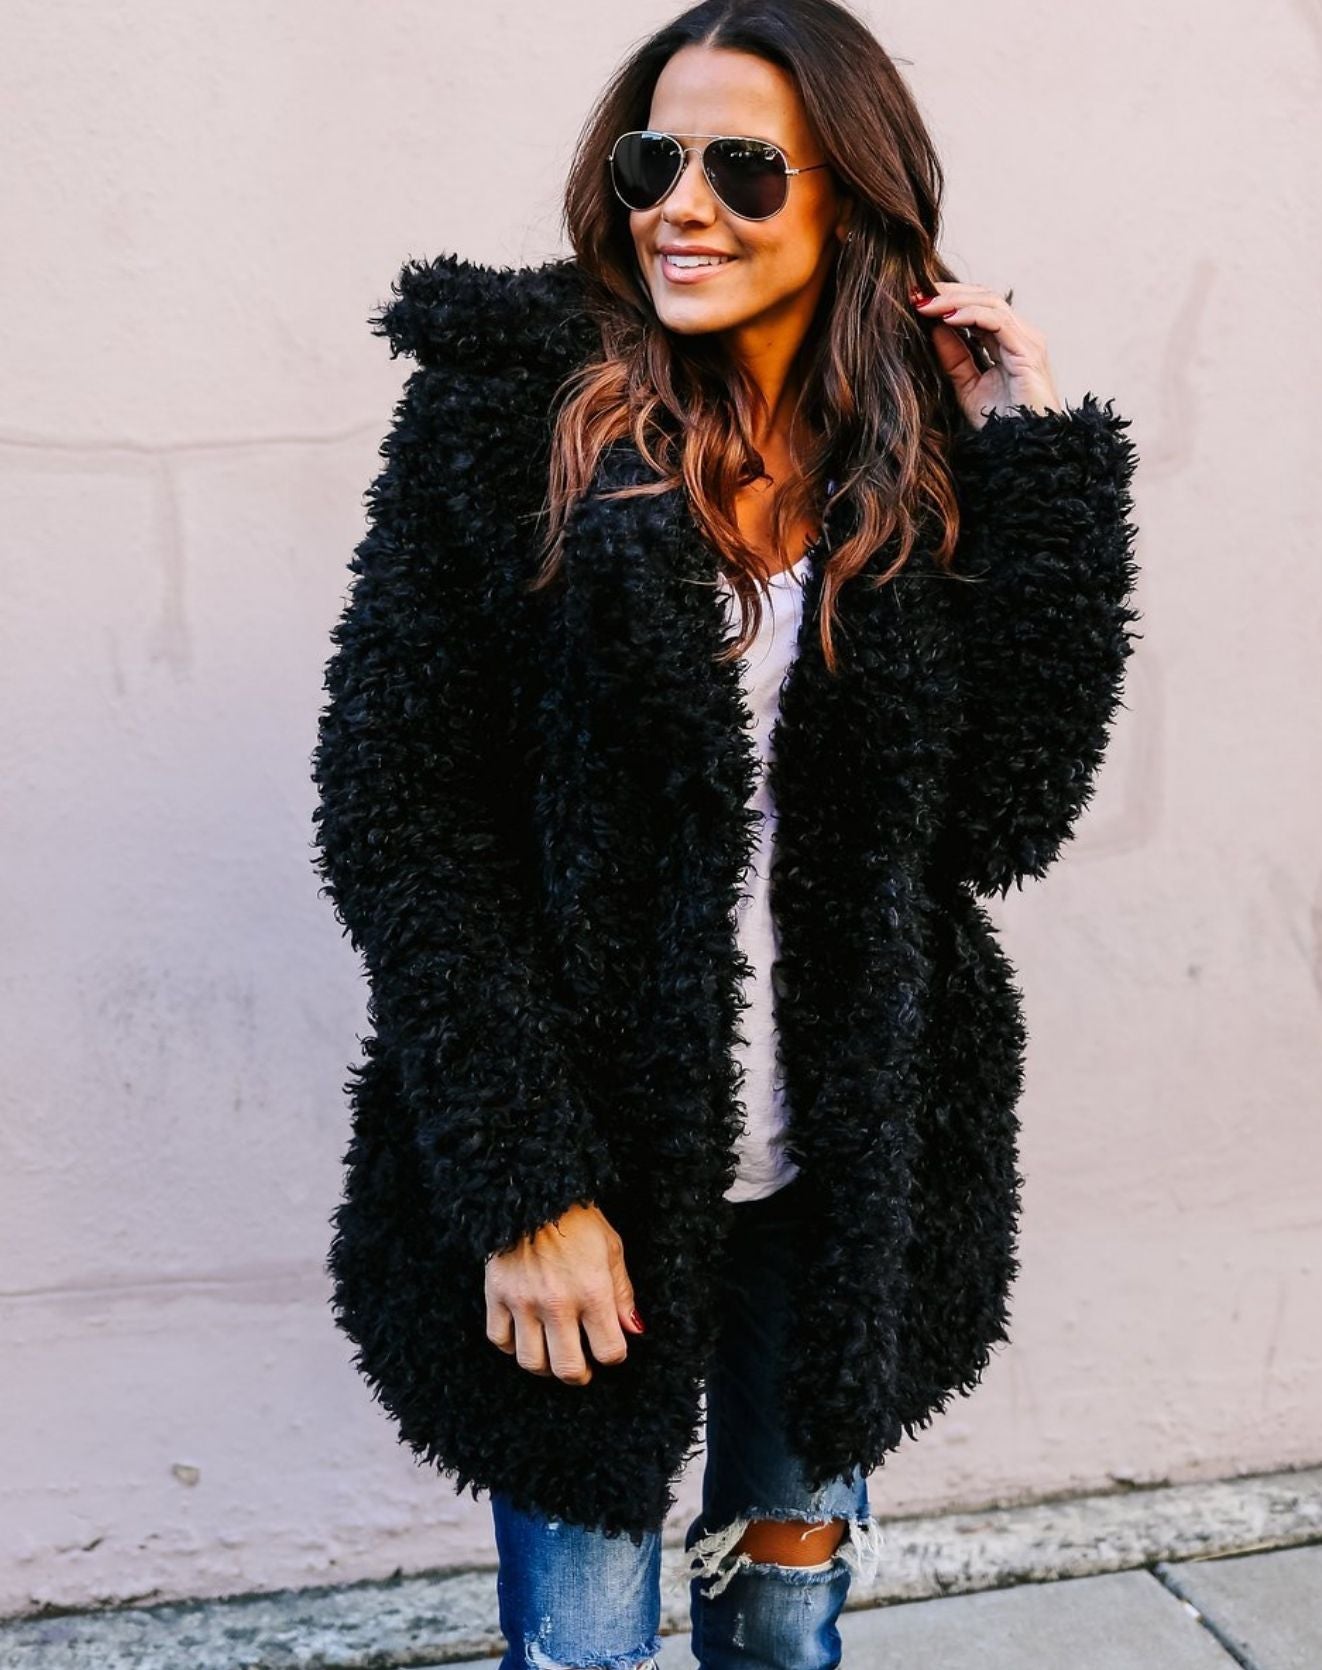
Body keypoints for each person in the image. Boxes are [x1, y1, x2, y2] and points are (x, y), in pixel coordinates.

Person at [309, 0, 1142, 1664]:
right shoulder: (508, 422)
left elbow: (1002, 820)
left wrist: (1035, 468)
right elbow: (401, 823)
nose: (681, 207)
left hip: (840, 1173)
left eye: (744, 170)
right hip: (584, 1165)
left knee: (780, 1623)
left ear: (851, 198)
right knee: (585, 1643)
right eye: (652, 162)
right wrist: (521, 1183)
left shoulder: (910, 460)